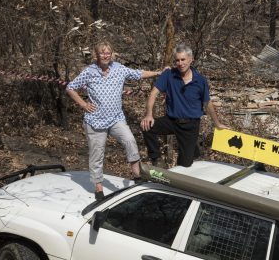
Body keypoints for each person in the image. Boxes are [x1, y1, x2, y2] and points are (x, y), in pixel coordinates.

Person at [67, 41, 164, 200]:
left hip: (116, 119)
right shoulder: (89, 72)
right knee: (97, 154)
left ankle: (138, 176)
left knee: (130, 140)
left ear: (111, 54)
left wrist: (158, 73)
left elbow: (138, 74)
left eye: (108, 53)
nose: (105, 56)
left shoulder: (119, 69)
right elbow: (70, 87)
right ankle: (98, 188)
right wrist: (84, 104)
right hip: (95, 121)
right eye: (102, 53)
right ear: (96, 55)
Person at [140, 43, 227, 167]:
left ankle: (193, 152)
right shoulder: (169, 75)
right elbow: (153, 94)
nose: (180, 63)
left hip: (190, 125)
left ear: (191, 60)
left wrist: (217, 123)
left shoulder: (200, 80)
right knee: (146, 126)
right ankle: (157, 160)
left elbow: (207, 103)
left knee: (184, 165)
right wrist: (149, 115)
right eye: (177, 60)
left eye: (183, 59)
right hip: (171, 121)